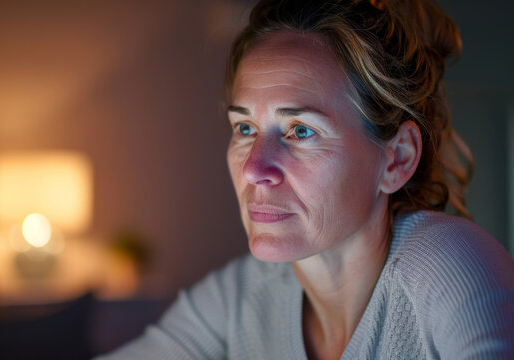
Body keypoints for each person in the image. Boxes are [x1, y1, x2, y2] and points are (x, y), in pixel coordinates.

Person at [96, 0, 514, 358]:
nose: (253, 168)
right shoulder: (238, 298)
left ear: (396, 159)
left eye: (300, 130)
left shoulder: (447, 265)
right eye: (244, 129)